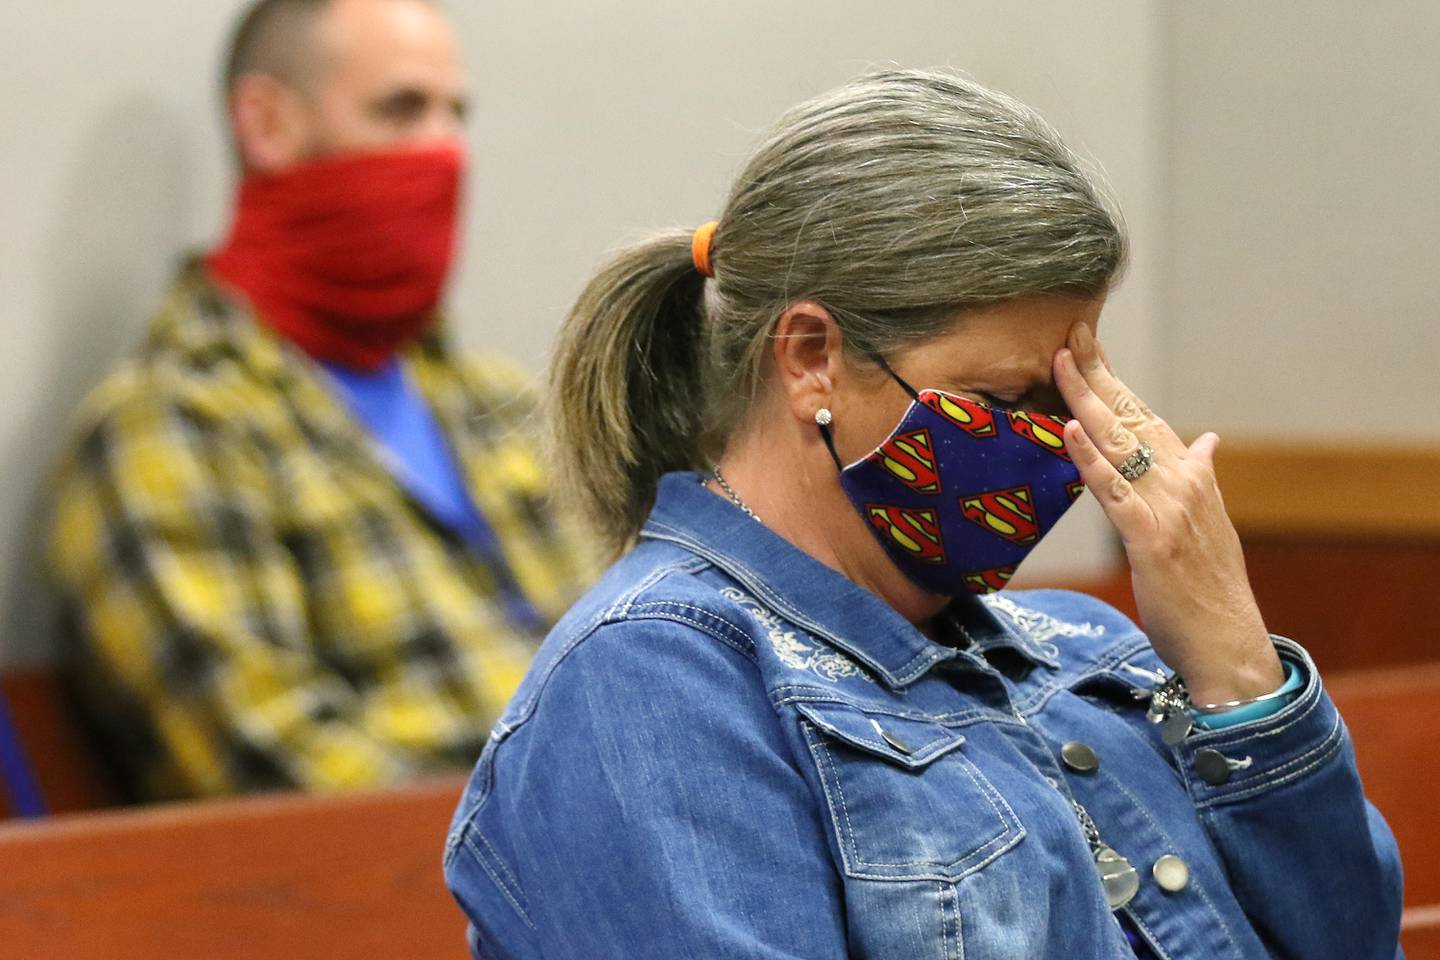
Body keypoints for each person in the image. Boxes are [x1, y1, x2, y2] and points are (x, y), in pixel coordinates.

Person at [443, 70, 1403, 959]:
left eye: (1072, 399)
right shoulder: (655, 680)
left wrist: (1235, 660)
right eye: (1004, 398)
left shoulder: (1088, 645)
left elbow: (1356, 941)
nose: (1054, 445)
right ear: (812, 355)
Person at [43, 0, 589, 800]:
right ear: (267, 125)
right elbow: (273, 765)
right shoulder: (171, 432)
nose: (443, 150)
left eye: (454, 114)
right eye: (400, 109)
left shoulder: (505, 405)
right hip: (436, 898)